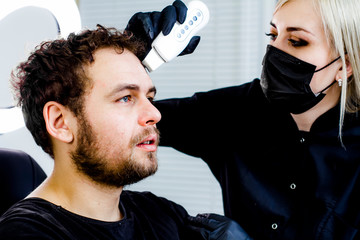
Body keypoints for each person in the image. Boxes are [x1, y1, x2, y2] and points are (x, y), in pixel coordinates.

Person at [126, 0, 360, 239]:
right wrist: (129, 55)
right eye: (273, 35)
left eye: (297, 41)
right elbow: (127, 121)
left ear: (345, 65)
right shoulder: (237, 111)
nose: (274, 52)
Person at [0, 25, 251, 240]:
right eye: (126, 98)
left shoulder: (157, 212)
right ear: (60, 122)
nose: (155, 114)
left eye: (150, 97)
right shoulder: (25, 232)